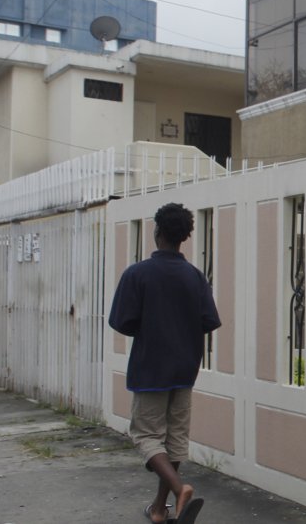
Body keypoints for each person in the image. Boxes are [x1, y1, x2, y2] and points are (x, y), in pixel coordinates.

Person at [109, 203, 221, 524]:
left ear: (157, 232)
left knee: (145, 436)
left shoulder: (138, 273)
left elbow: (121, 321)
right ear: (185, 237)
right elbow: (208, 320)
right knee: (174, 442)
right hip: (185, 369)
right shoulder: (195, 277)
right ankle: (160, 510)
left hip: (150, 370)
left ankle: (179, 489)